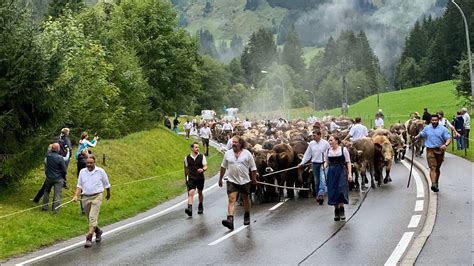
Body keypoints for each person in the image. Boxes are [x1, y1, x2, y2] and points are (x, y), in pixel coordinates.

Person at [218, 136, 257, 230]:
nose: (233, 144)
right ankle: (230, 220)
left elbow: (253, 168)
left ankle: (247, 214)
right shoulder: (228, 154)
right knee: (232, 199)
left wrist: (254, 180)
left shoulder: (247, 154)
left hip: (244, 181)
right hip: (232, 180)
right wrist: (220, 179)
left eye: (235, 142)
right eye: (233, 142)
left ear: (240, 144)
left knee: (245, 199)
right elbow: (223, 167)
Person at [72, 155, 111, 248]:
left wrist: (108, 193)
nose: (89, 164)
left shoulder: (100, 171)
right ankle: (98, 231)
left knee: (93, 217)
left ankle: (89, 238)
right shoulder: (82, 172)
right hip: (85, 197)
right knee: (90, 218)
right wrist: (75, 195)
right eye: (87, 163)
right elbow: (79, 185)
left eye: (91, 163)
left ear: (94, 163)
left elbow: (107, 183)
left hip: (97, 196)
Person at [415, 114, 451, 192]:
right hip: (430, 150)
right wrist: (415, 137)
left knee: (437, 168)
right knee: (432, 168)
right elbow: (421, 134)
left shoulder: (443, 129)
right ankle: (433, 183)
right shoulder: (427, 128)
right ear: (430, 121)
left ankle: (436, 182)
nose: (434, 121)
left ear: (438, 120)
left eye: (435, 120)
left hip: (440, 150)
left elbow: (448, 138)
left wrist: (445, 145)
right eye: (432, 120)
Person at [324, 135, 352, 221]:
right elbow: (327, 162)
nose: (330, 142)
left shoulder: (343, 150)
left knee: (341, 189)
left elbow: (348, 162)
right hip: (332, 172)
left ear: (336, 141)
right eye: (329, 140)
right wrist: (324, 166)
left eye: (331, 140)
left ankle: (342, 209)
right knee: (333, 190)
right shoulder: (328, 151)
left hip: (341, 171)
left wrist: (350, 173)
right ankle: (336, 210)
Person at [299, 130, 330, 204]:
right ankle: (317, 195)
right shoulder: (311, 144)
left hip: (323, 163)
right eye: (313, 136)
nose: (313, 137)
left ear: (319, 135)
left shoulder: (325, 143)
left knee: (323, 178)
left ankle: (321, 194)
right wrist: (302, 163)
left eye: (314, 135)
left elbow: (329, 153)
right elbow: (307, 154)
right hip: (315, 163)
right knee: (316, 181)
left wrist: (328, 162)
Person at [184, 142, 208, 216]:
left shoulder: (202, 156)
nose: (197, 149)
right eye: (196, 147)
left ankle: (200, 205)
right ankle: (189, 209)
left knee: (200, 192)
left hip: (200, 177)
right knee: (191, 192)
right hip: (191, 177)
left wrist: (203, 170)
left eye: (198, 147)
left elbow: (206, 166)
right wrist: (186, 178)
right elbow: (186, 169)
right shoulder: (187, 158)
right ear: (192, 148)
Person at [42, 143, 67, 214]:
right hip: (58, 178)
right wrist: (64, 177)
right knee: (57, 194)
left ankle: (44, 207)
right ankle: (55, 210)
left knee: (46, 192)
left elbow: (46, 166)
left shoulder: (48, 156)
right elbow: (64, 170)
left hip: (49, 177)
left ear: (52, 149)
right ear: (58, 149)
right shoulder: (60, 158)